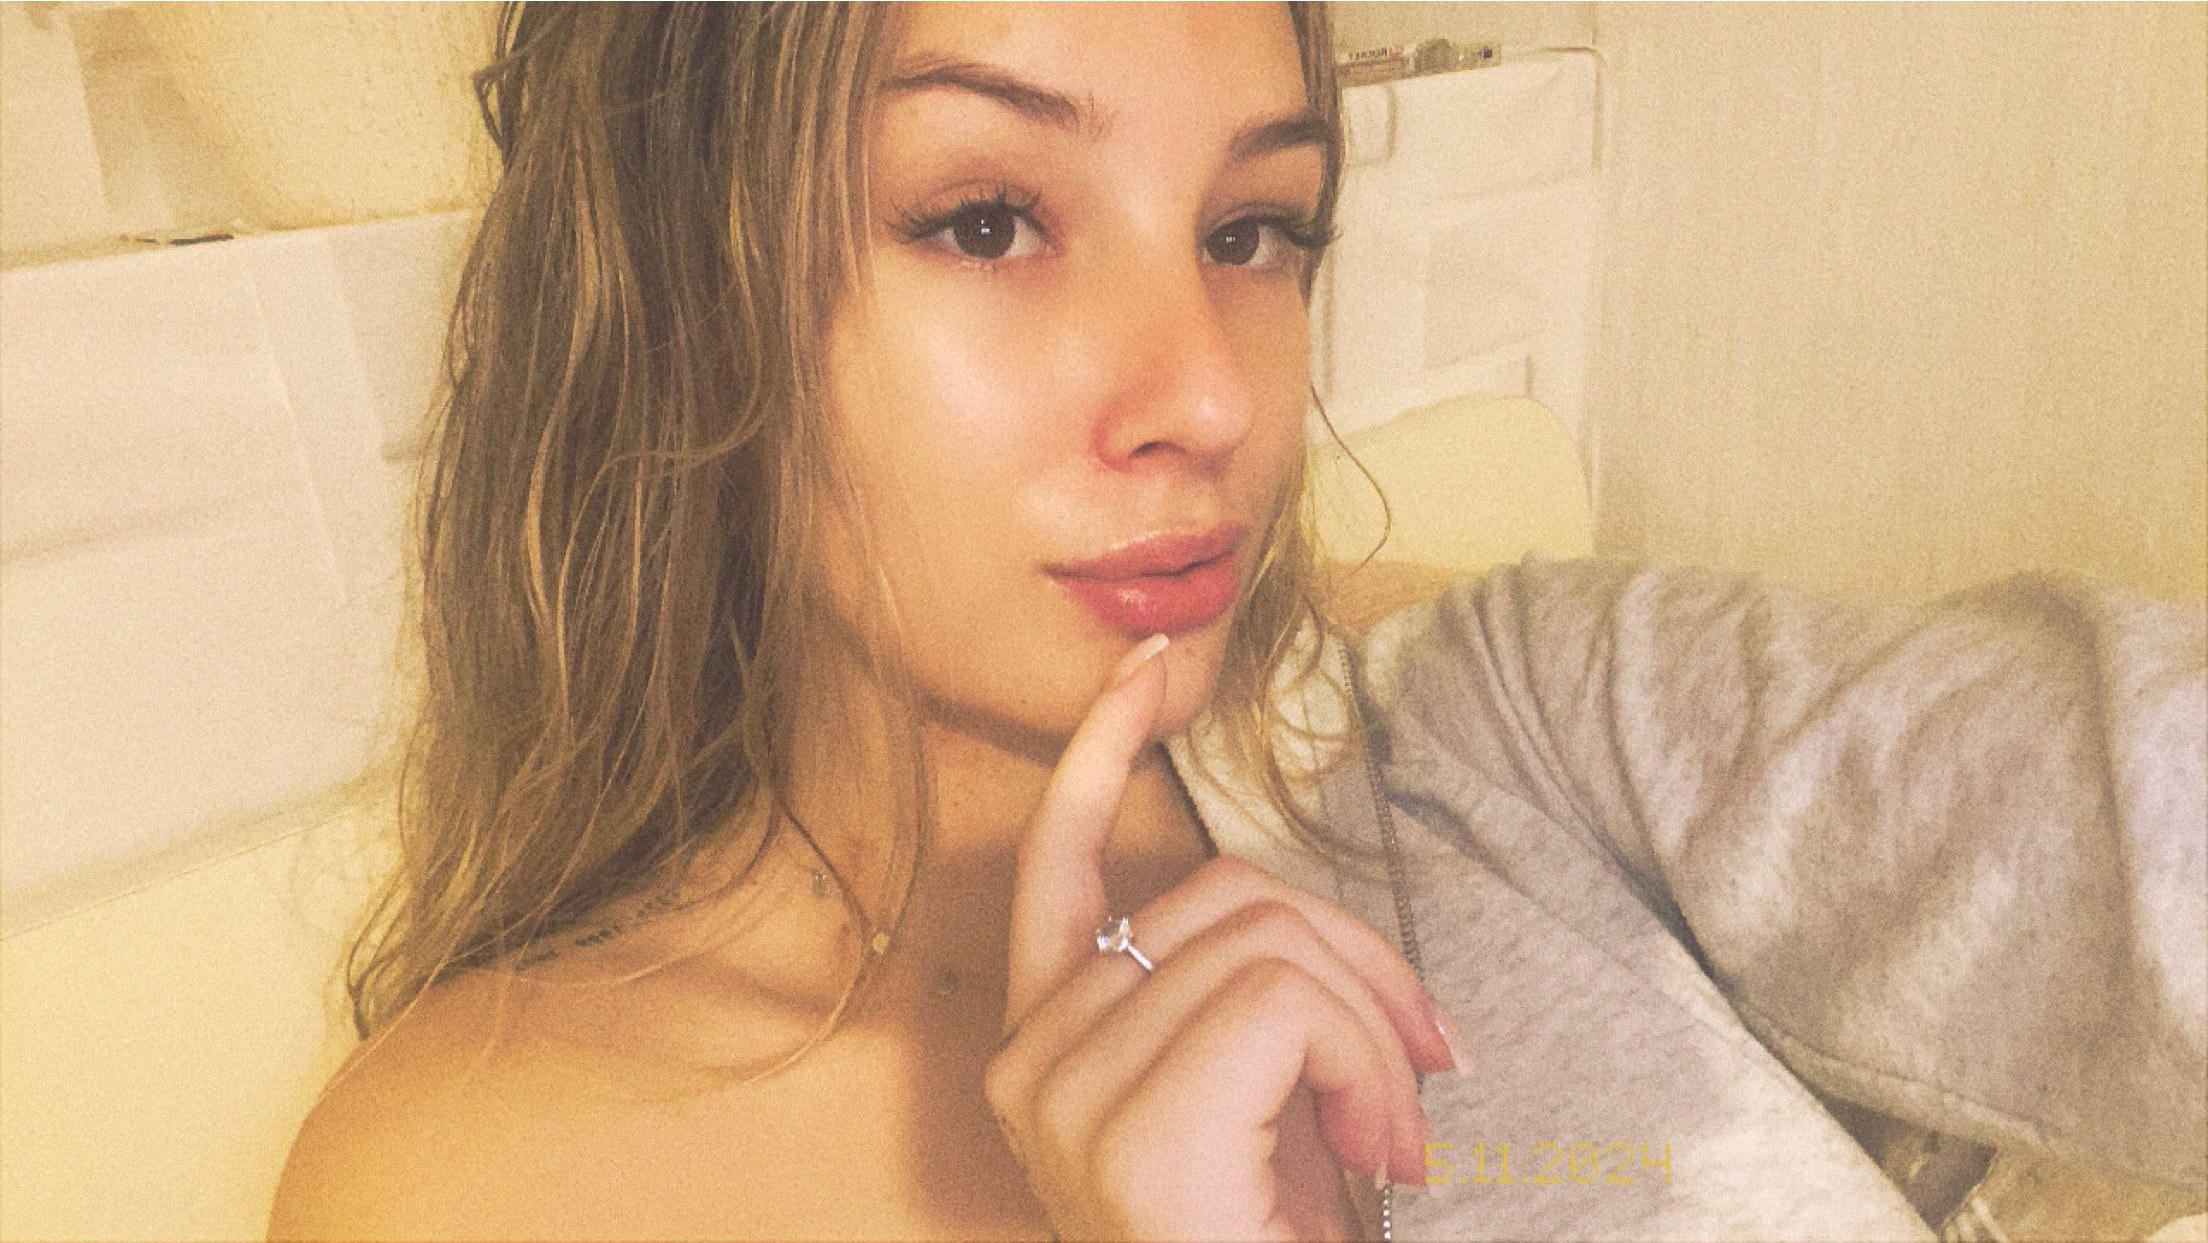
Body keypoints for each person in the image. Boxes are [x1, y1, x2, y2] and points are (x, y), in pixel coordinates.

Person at [268, 3, 2206, 1240]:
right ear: (676, 286)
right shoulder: (488, 1172)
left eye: (1250, 230)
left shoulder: (1497, 724)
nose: (1209, 393)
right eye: (990, 219)